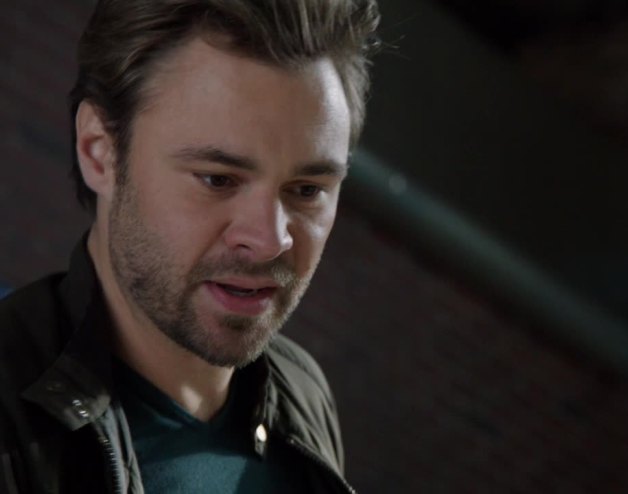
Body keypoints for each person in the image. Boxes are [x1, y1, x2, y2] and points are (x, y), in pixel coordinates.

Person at [0, 0, 380, 492]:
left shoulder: (302, 391)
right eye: (218, 179)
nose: (270, 241)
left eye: (307, 190)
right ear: (100, 152)